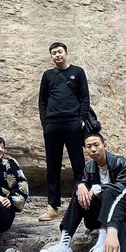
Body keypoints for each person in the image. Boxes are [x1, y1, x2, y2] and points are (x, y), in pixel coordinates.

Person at [39, 132, 126, 252]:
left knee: (108, 192)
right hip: (96, 217)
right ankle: (64, 245)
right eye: (89, 146)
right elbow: (83, 183)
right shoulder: (89, 167)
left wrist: (99, 188)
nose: (93, 149)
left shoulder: (121, 163)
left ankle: (102, 244)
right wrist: (81, 185)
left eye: (96, 145)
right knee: (78, 195)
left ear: (105, 145)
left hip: (120, 216)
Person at [37, 41, 92, 221]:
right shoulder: (48, 75)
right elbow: (42, 101)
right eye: (54, 53)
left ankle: (82, 204)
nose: (57, 55)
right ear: (51, 56)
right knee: (52, 166)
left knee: (78, 164)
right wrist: (45, 123)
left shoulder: (78, 72)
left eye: (60, 52)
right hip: (52, 125)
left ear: (66, 53)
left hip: (72, 123)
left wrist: (81, 120)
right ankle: (53, 207)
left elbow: (84, 98)